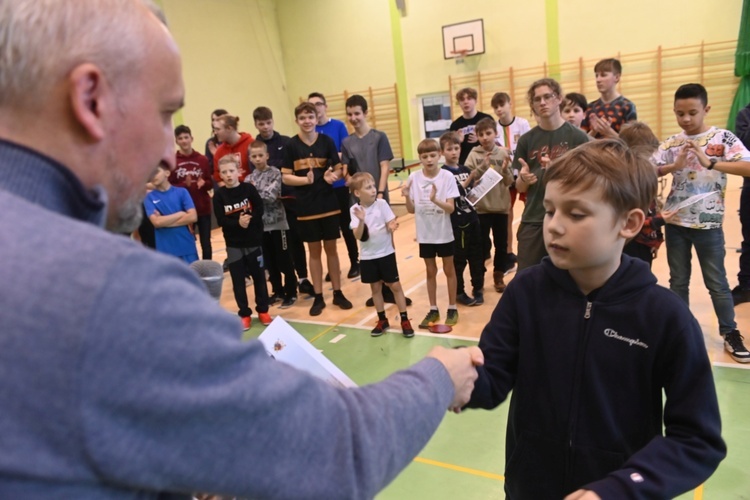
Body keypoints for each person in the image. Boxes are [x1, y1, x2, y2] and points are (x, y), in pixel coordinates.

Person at [0, 3, 486, 498]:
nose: (170, 152)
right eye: (164, 113)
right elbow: (334, 453)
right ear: (91, 99)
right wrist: (439, 377)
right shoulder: (109, 290)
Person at [466, 139, 726, 499]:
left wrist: (624, 487)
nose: (554, 226)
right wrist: (449, 380)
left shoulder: (664, 317)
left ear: (629, 223)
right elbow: (491, 378)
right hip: (530, 487)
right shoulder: (526, 292)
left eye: (575, 214)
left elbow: (697, 440)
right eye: (550, 209)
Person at [653, 83, 750, 363]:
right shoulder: (672, 143)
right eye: (679, 113)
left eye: (692, 112)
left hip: (709, 226)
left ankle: (730, 332)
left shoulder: (723, 138)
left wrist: (711, 163)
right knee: (678, 281)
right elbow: (646, 168)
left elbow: (747, 166)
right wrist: (673, 166)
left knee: (717, 282)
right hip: (676, 223)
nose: (686, 119)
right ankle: (680, 333)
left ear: (705, 109)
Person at [281, 102, 353, 316]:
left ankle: (338, 292)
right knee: (314, 252)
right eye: (302, 118)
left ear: (316, 118)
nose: (307, 121)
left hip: (328, 204)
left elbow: (339, 169)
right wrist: (305, 181)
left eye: (310, 117)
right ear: (297, 120)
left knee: (331, 249)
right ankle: (319, 296)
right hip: (306, 206)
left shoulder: (327, 141)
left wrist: (334, 175)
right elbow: (285, 176)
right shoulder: (291, 146)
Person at [342, 93, 412, 307]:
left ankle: (392, 285)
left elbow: (384, 167)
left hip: (378, 194)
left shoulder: (379, 136)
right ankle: (377, 289)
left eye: (357, 113)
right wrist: (352, 186)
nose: (354, 118)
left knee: (386, 239)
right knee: (367, 240)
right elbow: (347, 173)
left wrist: (379, 193)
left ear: (365, 113)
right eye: (350, 114)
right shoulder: (347, 142)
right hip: (360, 200)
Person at [514, 78, 590, 271]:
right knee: (527, 279)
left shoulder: (578, 138)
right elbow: (519, 187)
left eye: (548, 97)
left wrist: (559, 171)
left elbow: (588, 181)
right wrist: (523, 179)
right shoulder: (526, 141)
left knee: (567, 278)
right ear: (532, 105)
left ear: (559, 99)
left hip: (568, 218)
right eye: (537, 99)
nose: (543, 102)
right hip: (534, 218)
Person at [253, 105, 313, 298]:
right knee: (272, 250)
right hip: (268, 209)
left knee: (295, 242)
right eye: (261, 123)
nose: (265, 127)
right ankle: (279, 287)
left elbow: (292, 171)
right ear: (256, 124)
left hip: (290, 202)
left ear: (273, 122)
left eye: (268, 122)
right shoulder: (255, 148)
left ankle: (303, 279)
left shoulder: (286, 142)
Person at [402, 139, 460, 328]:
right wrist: (406, 197)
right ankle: (433, 309)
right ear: (419, 158)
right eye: (424, 156)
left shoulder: (447, 177)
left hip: (444, 233)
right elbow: (411, 210)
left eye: (432, 155)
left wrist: (434, 199)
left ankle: (452, 308)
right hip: (425, 234)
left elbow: (451, 208)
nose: (429, 159)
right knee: (430, 271)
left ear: (439, 156)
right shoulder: (414, 178)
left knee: (449, 269)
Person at [348, 172, 414, 337]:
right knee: (375, 288)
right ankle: (382, 319)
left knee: (395, 286)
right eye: (368, 187)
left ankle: (405, 319)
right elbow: (358, 235)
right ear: (357, 193)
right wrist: (362, 220)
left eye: (373, 186)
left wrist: (392, 226)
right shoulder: (355, 210)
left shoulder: (382, 204)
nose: (373, 189)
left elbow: (390, 222)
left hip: (386, 253)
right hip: (368, 257)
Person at [213, 156, 272, 329]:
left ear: (239, 171)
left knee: (259, 278)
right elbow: (221, 220)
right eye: (224, 172)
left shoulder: (248, 189)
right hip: (234, 245)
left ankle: (263, 310)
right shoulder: (219, 196)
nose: (229, 175)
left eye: (231, 171)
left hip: (253, 242)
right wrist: (237, 223)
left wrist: (250, 219)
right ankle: (244, 314)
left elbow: (259, 208)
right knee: (238, 282)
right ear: (220, 175)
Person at [308, 92, 360, 279]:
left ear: (325, 106)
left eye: (319, 104)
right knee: (327, 230)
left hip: (338, 185)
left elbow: (343, 154)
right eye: (311, 105)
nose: (316, 107)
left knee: (346, 226)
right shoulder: (309, 133)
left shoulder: (337, 126)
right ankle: (333, 267)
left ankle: (355, 261)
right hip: (319, 189)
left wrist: (331, 160)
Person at [464, 117, 514, 293]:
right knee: (481, 246)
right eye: (481, 134)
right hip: (480, 209)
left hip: (500, 207)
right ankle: (479, 279)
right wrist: (482, 167)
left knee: (501, 245)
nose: (485, 137)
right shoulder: (473, 154)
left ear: (496, 133)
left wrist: (507, 169)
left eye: (488, 133)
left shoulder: (503, 154)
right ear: (477, 136)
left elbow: (509, 182)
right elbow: (468, 180)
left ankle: (498, 276)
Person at [248, 141, 297, 308]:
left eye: (260, 155)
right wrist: (257, 195)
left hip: (278, 224)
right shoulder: (249, 178)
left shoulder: (276, 173)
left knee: (284, 259)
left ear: (267, 155)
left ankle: (291, 292)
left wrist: (255, 193)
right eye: (254, 156)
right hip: (261, 226)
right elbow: (250, 201)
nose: (258, 159)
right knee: (269, 262)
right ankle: (278, 291)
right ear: (250, 158)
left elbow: (270, 196)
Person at [440, 131, 486, 306]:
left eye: (456, 148)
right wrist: (466, 183)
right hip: (456, 224)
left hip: (473, 219)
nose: (454, 152)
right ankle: (459, 291)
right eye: (449, 149)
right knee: (459, 260)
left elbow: (471, 193)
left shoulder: (465, 169)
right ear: (442, 152)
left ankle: (478, 288)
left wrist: (482, 184)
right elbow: (451, 194)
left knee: (476, 256)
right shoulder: (442, 174)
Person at [490, 91, 531, 268]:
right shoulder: (494, 129)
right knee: (507, 215)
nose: (499, 109)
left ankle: (528, 249)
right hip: (505, 178)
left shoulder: (522, 124)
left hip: (522, 175)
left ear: (510, 104)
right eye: (496, 107)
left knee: (529, 212)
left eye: (502, 105)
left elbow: (530, 148)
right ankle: (508, 252)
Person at [618, 121, 665, 267]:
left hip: (644, 241)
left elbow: (652, 207)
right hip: (630, 242)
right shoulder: (623, 181)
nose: (650, 160)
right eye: (647, 156)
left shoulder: (645, 173)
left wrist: (654, 240)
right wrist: (659, 221)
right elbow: (626, 221)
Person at [143, 163, 198, 264]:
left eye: (156, 172)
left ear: (167, 173)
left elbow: (193, 217)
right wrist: (180, 213)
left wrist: (165, 221)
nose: (153, 176)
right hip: (165, 251)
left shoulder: (182, 192)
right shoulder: (149, 198)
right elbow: (157, 223)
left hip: (187, 246)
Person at [172, 124, 213, 259]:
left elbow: (210, 183)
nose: (184, 140)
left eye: (186, 137)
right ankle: (192, 270)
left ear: (191, 138)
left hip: (203, 208)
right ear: (176, 141)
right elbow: (170, 186)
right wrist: (184, 185)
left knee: (206, 243)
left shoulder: (202, 159)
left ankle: (208, 271)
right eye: (180, 138)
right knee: (187, 243)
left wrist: (204, 183)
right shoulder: (173, 161)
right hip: (184, 210)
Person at [582, 58, 637, 138]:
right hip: (593, 150)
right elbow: (582, 142)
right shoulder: (590, 107)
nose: (598, 80)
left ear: (617, 77)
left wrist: (608, 132)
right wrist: (594, 131)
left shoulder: (627, 106)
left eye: (603, 75)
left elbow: (631, 142)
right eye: (596, 76)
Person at [733, 101, 750, 305]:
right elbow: (745, 145)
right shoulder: (745, 114)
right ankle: (746, 285)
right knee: (749, 239)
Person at [450, 87, 494, 165]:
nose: (466, 102)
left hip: (486, 161)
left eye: (469, 98)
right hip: (465, 164)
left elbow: (496, 141)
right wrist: (458, 142)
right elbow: (451, 151)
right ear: (459, 103)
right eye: (462, 100)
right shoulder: (455, 125)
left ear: (476, 101)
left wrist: (480, 139)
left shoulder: (486, 119)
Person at [212, 114, 254, 186]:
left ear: (229, 128)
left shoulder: (251, 145)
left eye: (218, 129)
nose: (215, 133)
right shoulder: (219, 152)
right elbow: (218, 179)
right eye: (215, 129)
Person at [204, 108, 228, 174]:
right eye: (213, 120)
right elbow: (209, 168)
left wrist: (218, 155)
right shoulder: (211, 143)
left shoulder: (231, 140)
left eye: (217, 120)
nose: (214, 123)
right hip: (217, 177)